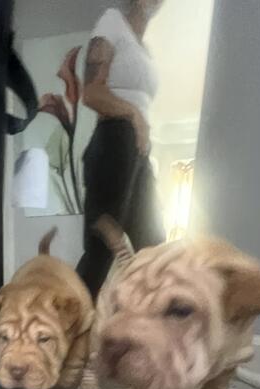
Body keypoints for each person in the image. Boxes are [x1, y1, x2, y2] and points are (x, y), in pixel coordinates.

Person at [77, 0, 167, 298]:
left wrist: (139, 124)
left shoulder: (146, 50)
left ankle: (145, 319)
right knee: (101, 252)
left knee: (153, 247)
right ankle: (69, 319)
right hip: (115, 139)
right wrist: (133, 114)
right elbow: (91, 93)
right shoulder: (112, 22)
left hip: (139, 150)